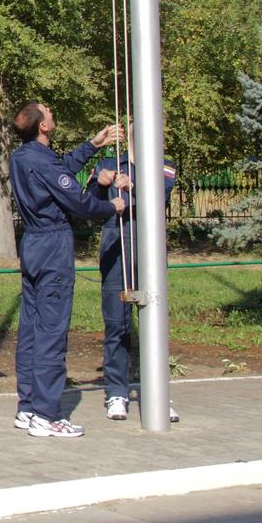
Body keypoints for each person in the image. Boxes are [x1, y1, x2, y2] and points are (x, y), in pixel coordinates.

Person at [8, 102, 125, 439]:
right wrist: (111, 206)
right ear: (43, 126)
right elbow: (77, 201)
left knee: (31, 330)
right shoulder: (42, 161)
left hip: (32, 245)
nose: (52, 113)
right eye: (48, 111)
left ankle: (28, 408)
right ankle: (48, 414)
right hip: (53, 246)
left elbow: (59, 171)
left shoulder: (23, 157)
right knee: (51, 332)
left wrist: (93, 145)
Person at [87, 128, 178, 422]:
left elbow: (161, 193)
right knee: (118, 322)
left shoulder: (164, 167)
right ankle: (117, 392)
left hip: (148, 249)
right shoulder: (109, 165)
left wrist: (135, 185)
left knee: (153, 322)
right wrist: (101, 187)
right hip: (118, 249)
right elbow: (88, 206)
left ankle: (158, 396)